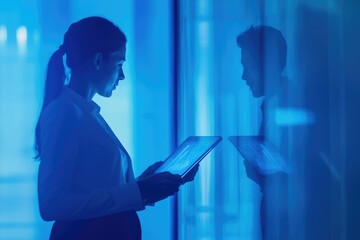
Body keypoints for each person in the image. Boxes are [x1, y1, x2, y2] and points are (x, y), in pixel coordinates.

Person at [34, 16, 197, 240]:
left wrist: (144, 184)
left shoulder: (84, 112)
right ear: (99, 60)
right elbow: (51, 204)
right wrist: (138, 191)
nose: (122, 75)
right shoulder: (65, 112)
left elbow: (97, 187)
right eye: (119, 64)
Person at [236, 25, 289, 240]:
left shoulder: (291, 106)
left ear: (268, 64)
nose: (243, 76)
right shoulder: (269, 106)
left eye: (248, 66)